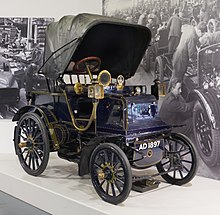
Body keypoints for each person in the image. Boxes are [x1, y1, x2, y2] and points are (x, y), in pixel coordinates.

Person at [168, 22, 207, 92]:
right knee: (177, 79)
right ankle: (171, 97)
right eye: (202, 35)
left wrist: (200, 44)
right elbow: (191, 54)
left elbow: (196, 40)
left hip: (178, 54)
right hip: (181, 59)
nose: (201, 37)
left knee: (174, 75)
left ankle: (167, 93)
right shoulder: (192, 36)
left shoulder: (190, 29)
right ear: (199, 31)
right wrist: (199, 58)